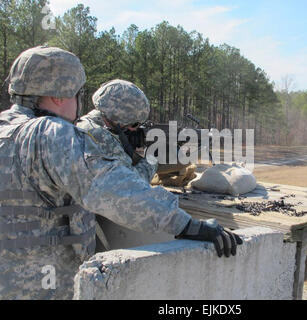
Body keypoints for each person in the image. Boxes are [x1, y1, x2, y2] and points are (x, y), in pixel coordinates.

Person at [0, 46, 242, 300]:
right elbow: (113, 189)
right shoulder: (51, 134)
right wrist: (188, 225)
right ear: (59, 96)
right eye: (76, 93)